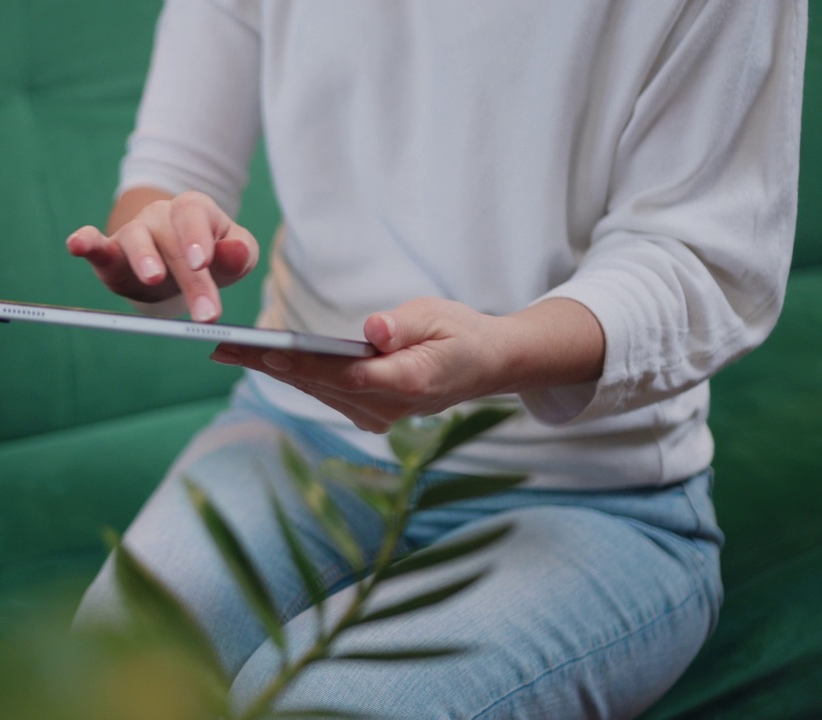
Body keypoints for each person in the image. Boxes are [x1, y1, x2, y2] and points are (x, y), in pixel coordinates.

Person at [68, 1, 807, 717]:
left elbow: (706, 259)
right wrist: (155, 245)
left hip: (591, 496)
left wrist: (501, 350)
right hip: (293, 434)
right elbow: (170, 168)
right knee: (100, 687)